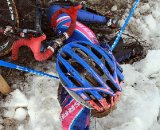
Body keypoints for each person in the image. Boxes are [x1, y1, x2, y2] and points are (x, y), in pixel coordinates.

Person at [11, 1, 144, 129]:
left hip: (84, 44)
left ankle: (113, 30)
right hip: (85, 43)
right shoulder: (105, 55)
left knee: (54, 11)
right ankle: (106, 21)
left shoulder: (74, 115)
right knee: (54, 13)